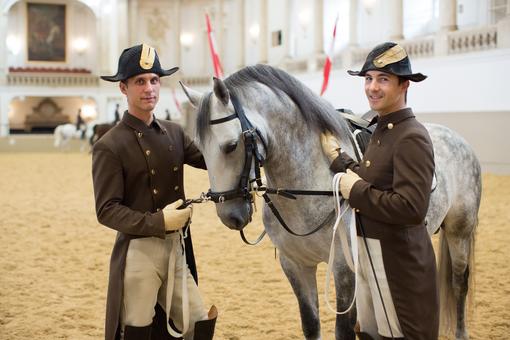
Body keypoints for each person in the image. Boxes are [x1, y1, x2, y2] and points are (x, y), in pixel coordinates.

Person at [92, 43, 217, 340]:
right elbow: (107, 210)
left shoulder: (174, 132)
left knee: (198, 325)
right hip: (139, 253)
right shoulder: (109, 146)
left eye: (154, 80)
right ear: (123, 88)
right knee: (138, 332)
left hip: (177, 249)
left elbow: (212, 160)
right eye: (140, 81)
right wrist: (159, 222)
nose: (149, 88)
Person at [321, 42, 438, 340]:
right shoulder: (383, 130)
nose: (372, 87)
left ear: (404, 85)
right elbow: (374, 180)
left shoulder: (411, 136)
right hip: (372, 258)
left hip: (398, 268)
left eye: (383, 79)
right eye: (368, 79)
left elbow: (411, 208)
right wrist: (340, 159)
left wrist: (355, 190)